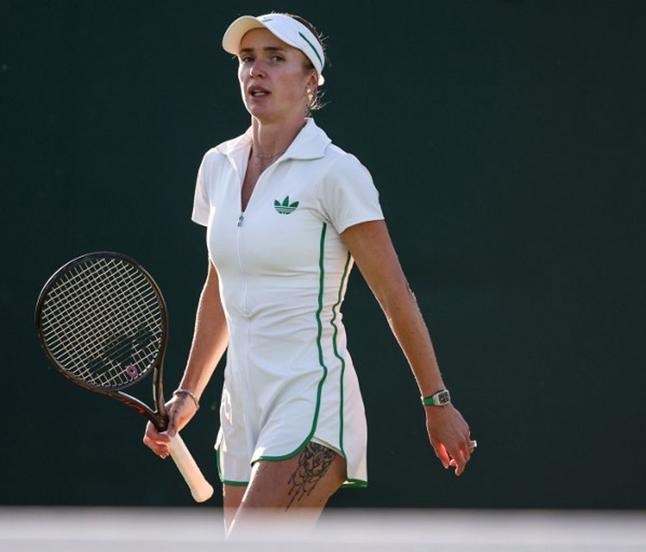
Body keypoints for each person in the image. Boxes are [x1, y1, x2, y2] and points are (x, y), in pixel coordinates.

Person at [143, 12, 475, 534]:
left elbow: (395, 294)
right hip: (240, 407)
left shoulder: (336, 172)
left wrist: (437, 402)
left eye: (276, 59)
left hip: (311, 399)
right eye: (248, 59)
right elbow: (220, 286)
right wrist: (187, 396)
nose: (257, 71)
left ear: (310, 81)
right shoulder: (217, 166)